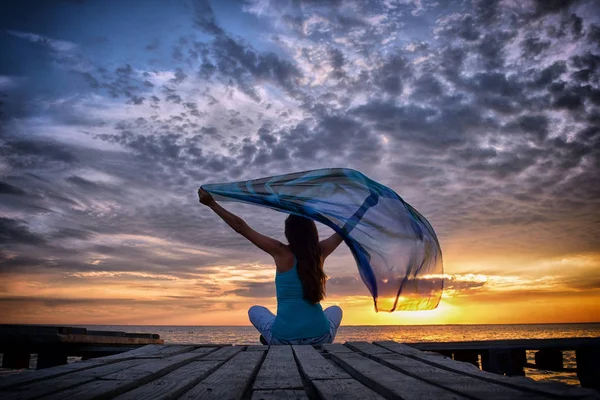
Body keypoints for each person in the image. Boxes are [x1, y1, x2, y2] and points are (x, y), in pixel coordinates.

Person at [198, 187, 344, 345]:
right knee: (336, 310)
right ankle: (295, 328)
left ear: (288, 233)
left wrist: (212, 203)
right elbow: (345, 230)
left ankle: (274, 333)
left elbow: (241, 227)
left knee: (255, 310)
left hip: (283, 338)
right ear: (313, 232)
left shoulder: (280, 252)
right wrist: (365, 207)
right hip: (321, 336)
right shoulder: (320, 252)